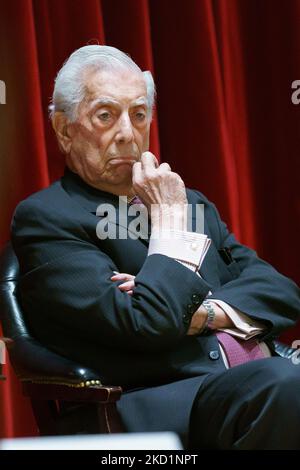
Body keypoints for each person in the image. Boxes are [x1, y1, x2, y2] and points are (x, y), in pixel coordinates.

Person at [11, 45, 300, 449]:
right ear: (64, 130)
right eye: (106, 115)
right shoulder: (47, 218)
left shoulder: (191, 204)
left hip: (252, 384)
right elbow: (145, 323)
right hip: (157, 400)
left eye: (139, 114)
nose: (128, 132)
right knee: (283, 384)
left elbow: (280, 292)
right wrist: (168, 226)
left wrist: (205, 314)